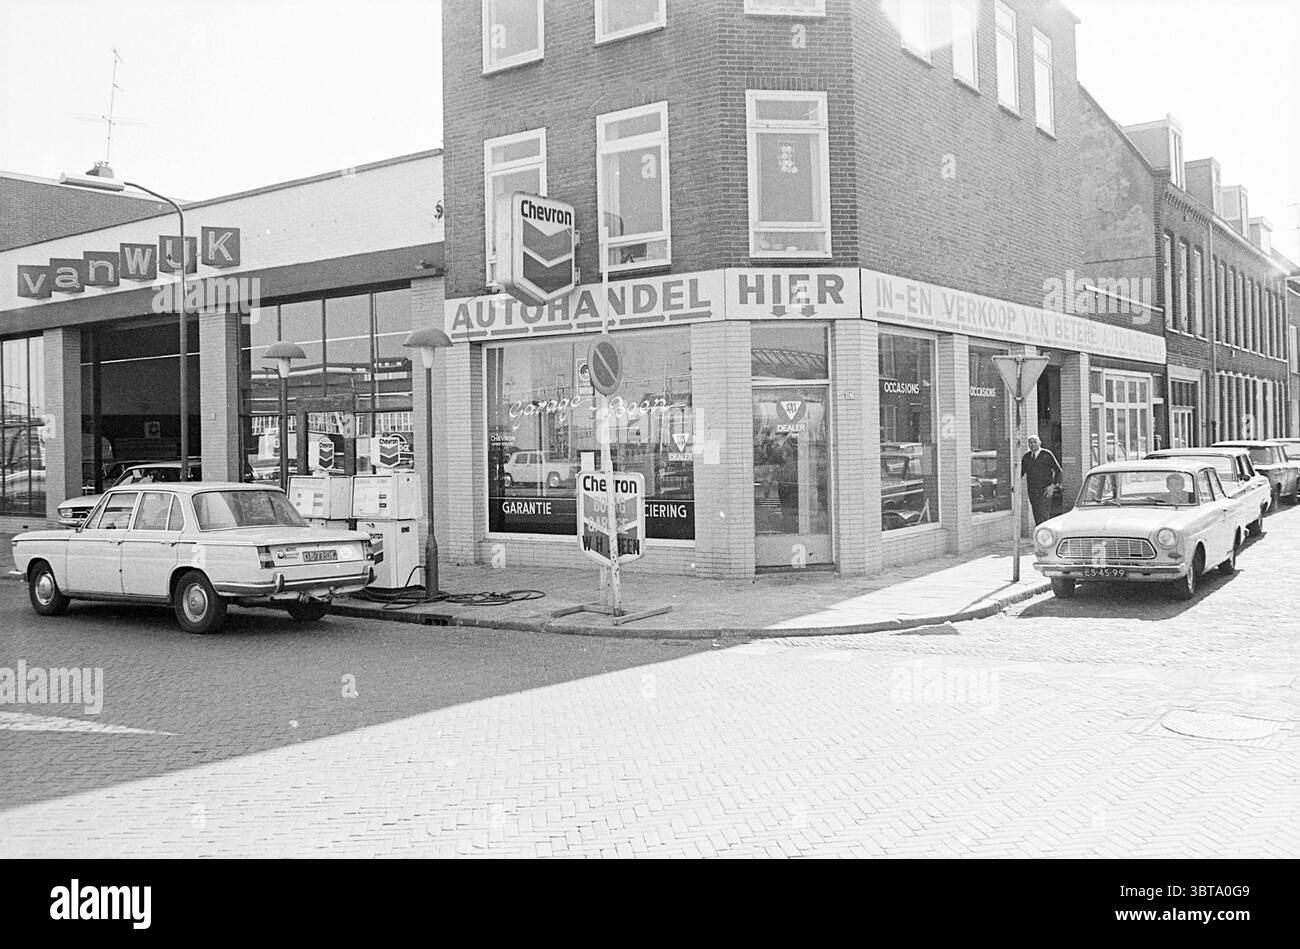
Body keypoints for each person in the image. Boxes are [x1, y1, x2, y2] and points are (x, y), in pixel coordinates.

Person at [1020, 434, 1062, 525]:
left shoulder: (1046, 454)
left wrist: (1052, 486)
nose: (1032, 444)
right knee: (1036, 513)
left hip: (1045, 490)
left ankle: (1044, 535)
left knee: (1043, 514)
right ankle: (1040, 534)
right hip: (1032, 490)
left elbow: (1058, 471)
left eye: (1034, 442)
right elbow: (1020, 473)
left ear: (1039, 443)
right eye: (1030, 443)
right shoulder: (1026, 457)